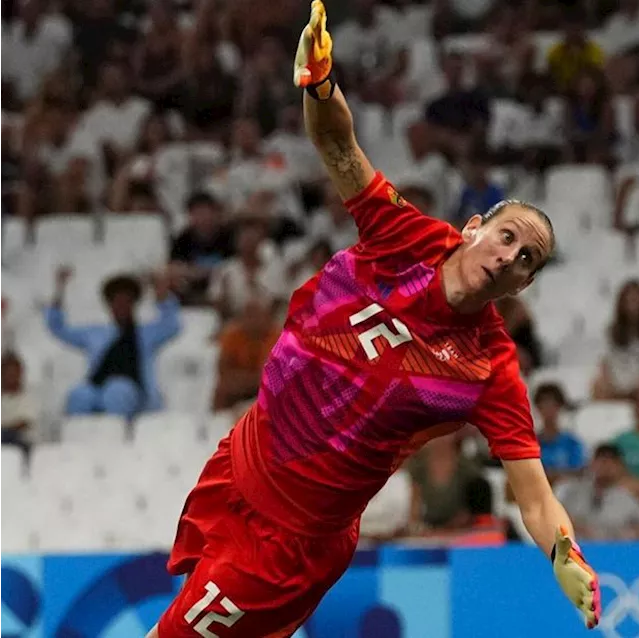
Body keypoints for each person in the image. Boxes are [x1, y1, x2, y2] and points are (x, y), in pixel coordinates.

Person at [148, 5, 600, 636]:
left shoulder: (488, 368)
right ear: (473, 229)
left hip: (291, 540)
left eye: (527, 260)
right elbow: (337, 143)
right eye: (505, 237)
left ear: (524, 285)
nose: (509, 257)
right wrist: (319, 83)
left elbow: (534, 493)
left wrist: (564, 553)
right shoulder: (405, 236)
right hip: (237, 462)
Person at [47, 268, 181, 419]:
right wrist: (60, 288)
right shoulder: (96, 334)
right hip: (97, 389)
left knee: (117, 390)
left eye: (126, 301)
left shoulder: (147, 333)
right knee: (79, 395)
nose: (121, 306)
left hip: (133, 395)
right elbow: (58, 328)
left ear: (133, 304)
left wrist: (160, 289)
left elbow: (172, 325)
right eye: (116, 302)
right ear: (109, 306)